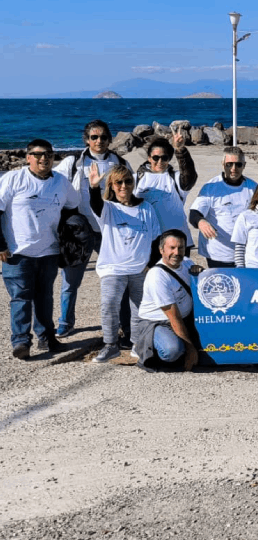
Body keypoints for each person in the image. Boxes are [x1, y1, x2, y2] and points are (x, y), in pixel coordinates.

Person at [0, 139, 80, 359]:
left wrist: (68, 239)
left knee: (45, 297)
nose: (44, 158)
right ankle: (21, 343)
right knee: (21, 298)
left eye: (48, 154)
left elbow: (72, 207)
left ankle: (47, 339)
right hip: (17, 253)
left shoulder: (62, 183)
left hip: (49, 251)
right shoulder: (14, 179)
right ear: (28, 157)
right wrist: (1, 245)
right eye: (38, 154)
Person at [54, 120, 130, 338]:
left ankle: (124, 322)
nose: (99, 141)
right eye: (94, 137)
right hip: (80, 230)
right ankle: (65, 322)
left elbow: (132, 190)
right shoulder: (73, 162)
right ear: (86, 139)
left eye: (103, 137)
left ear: (110, 139)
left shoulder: (120, 162)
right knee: (70, 280)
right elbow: (53, 183)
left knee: (118, 280)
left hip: (109, 230)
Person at [87, 163, 161, 363]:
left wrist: (150, 265)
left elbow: (156, 240)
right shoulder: (108, 208)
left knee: (140, 308)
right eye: (118, 182)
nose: (123, 186)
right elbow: (95, 204)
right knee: (109, 304)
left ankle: (137, 344)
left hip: (139, 268)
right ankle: (111, 345)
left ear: (133, 183)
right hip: (113, 268)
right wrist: (94, 188)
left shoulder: (146, 208)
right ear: (111, 186)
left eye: (127, 181)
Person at [133, 229, 203, 371]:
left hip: (184, 318)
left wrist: (200, 271)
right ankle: (144, 346)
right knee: (172, 351)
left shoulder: (188, 263)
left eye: (181, 248)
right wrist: (190, 350)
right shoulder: (157, 276)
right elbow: (173, 316)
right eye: (172, 248)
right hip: (158, 322)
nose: (177, 253)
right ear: (161, 250)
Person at [189, 147, 257, 268]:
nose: (233, 169)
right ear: (223, 164)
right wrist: (201, 222)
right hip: (218, 254)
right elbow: (194, 213)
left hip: (246, 253)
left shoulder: (253, 187)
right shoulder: (211, 187)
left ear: (244, 165)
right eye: (229, 164)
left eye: (238, 165)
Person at [134, 131, 197, 249]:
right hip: (149, 242)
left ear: (169, 159)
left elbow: (190, 177)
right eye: (155, 158)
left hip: (177, 242)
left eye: (164, 158)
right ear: (149, 158)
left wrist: (180, 150)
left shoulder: (176, 178)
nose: (160, 162)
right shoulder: (136, 179)